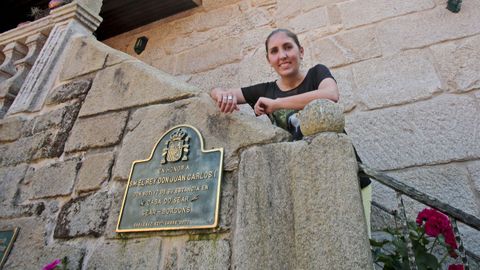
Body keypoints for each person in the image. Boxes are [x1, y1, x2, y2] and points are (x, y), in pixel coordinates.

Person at [210, 29, 372, 235]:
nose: (282, 55)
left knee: (355, 240)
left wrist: (276, 104)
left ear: (301, 51)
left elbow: (331, 94)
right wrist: (220, 95)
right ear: (269, 59)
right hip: (303, 183)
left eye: (288, 47)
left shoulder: (316, 74)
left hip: (343, 174)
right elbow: (218, 91)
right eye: (274, 51)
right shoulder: (265, 90)